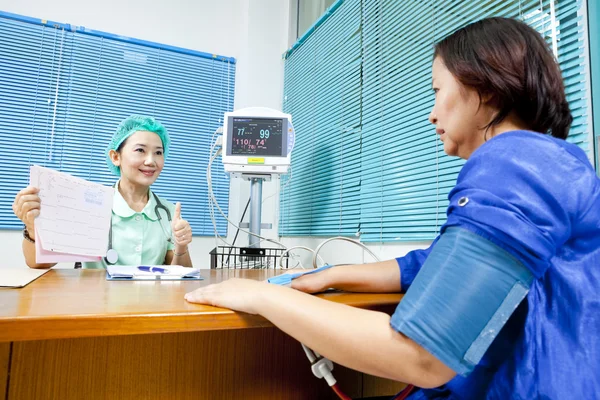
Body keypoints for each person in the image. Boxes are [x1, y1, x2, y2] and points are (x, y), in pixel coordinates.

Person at [184, 17, 600, 398]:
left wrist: (261, 297)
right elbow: (439, 263)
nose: (432, 113)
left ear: (486, 90)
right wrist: (334, 273)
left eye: (438, 91)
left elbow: (422, 355)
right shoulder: (550, 163)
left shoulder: (513, 163)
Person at [13, 115, 193, 269]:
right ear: (116, 157)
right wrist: (32, 227)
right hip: (98, 304)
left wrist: (181, 246)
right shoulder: (90, 204)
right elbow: (38, 264)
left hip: (151, 305)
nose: (150, 161)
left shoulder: (168, 211)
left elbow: (180, 275)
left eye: (158, 153)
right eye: (140, 150)